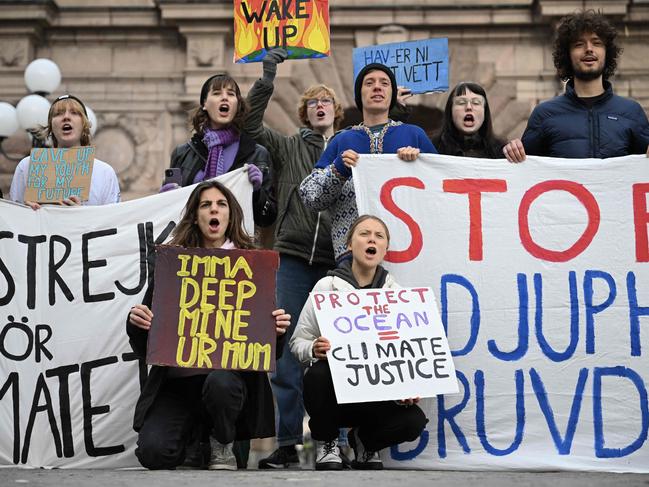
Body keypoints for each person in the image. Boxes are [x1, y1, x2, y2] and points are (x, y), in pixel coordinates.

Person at [126, 180, 291, 470]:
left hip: (226, 386)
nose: (214, 210)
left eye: (221, 204)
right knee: (154, 454)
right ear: (196, 216)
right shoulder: (173, 266)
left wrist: (277, 331)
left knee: (220, 383)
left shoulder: (252, 268)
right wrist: (138, 325)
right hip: (178, 385)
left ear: (230, 216)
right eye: (206, 205)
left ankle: (222, 441)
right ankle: (195, 440)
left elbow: (266, 352)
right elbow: (145, 346)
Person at [244, 49, 343, 468]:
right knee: (284, 352)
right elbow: (249, 125)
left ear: (337, 112)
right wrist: (268, 76)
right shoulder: (286, 147)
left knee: (336, 351)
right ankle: (286, 441)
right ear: (305, 113)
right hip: (293, 256)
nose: (320, 106)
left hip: (338, 263)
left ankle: (333, 440)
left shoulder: (351, 146)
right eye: (313, 103)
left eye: (327, 101)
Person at [290, 215, 428, 470]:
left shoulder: (398, 296)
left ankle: (365, 442)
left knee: (414, 421)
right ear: (350, 245)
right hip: (335, 398)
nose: (372, 239)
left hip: (377, 399)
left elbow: (405, 353)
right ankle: (327, 443)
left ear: (385, 248)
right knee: (317, 374)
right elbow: (298, 341)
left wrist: (409, 386)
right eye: (364, 233)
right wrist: (313, 349)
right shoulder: (326, 287)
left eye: (379, 235)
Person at [299, 62, 437, 263]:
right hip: (351, 257)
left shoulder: (413, 134)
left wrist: (419, 165)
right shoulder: (341, 140)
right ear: (359, 95)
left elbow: (441, 190)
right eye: (369, 83)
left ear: (391, 94)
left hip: (408, 254)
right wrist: (338, 169)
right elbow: (310, 197)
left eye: (384, 83)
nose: (377, 87)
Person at [503, 10, 649, 162]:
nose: (589, 49)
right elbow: (525, 173)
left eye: (597, 43)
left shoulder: (631, 112)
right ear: (567, 55)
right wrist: (513, 154)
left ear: (607, 52)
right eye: (579, 44)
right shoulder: (544, 114)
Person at [167, 73, 276, 227]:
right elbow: (170, 214)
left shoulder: (256, 153)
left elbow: (267, 218)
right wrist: (165, 199)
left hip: (238, 246)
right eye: (217, 93)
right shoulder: (183, 153)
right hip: (191, 244)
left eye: (231, 94)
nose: (224, 98)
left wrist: (258, 192)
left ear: (237, 104)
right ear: (204, 103)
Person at [9, 94, 121, 209]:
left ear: (84, 126)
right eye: (58, 113)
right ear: (51, 127)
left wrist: (82, 214)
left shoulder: (105, 173)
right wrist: (26, 211)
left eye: (74, 113)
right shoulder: (27, 166)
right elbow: (12, 217)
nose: (66, 117)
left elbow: (112, 221)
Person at [432, 81, 504, 158]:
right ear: (450, 112)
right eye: (461, 102)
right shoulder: (432, 149)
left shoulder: (501, 152)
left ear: (484, 112)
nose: (469, 107)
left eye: (476, 103)